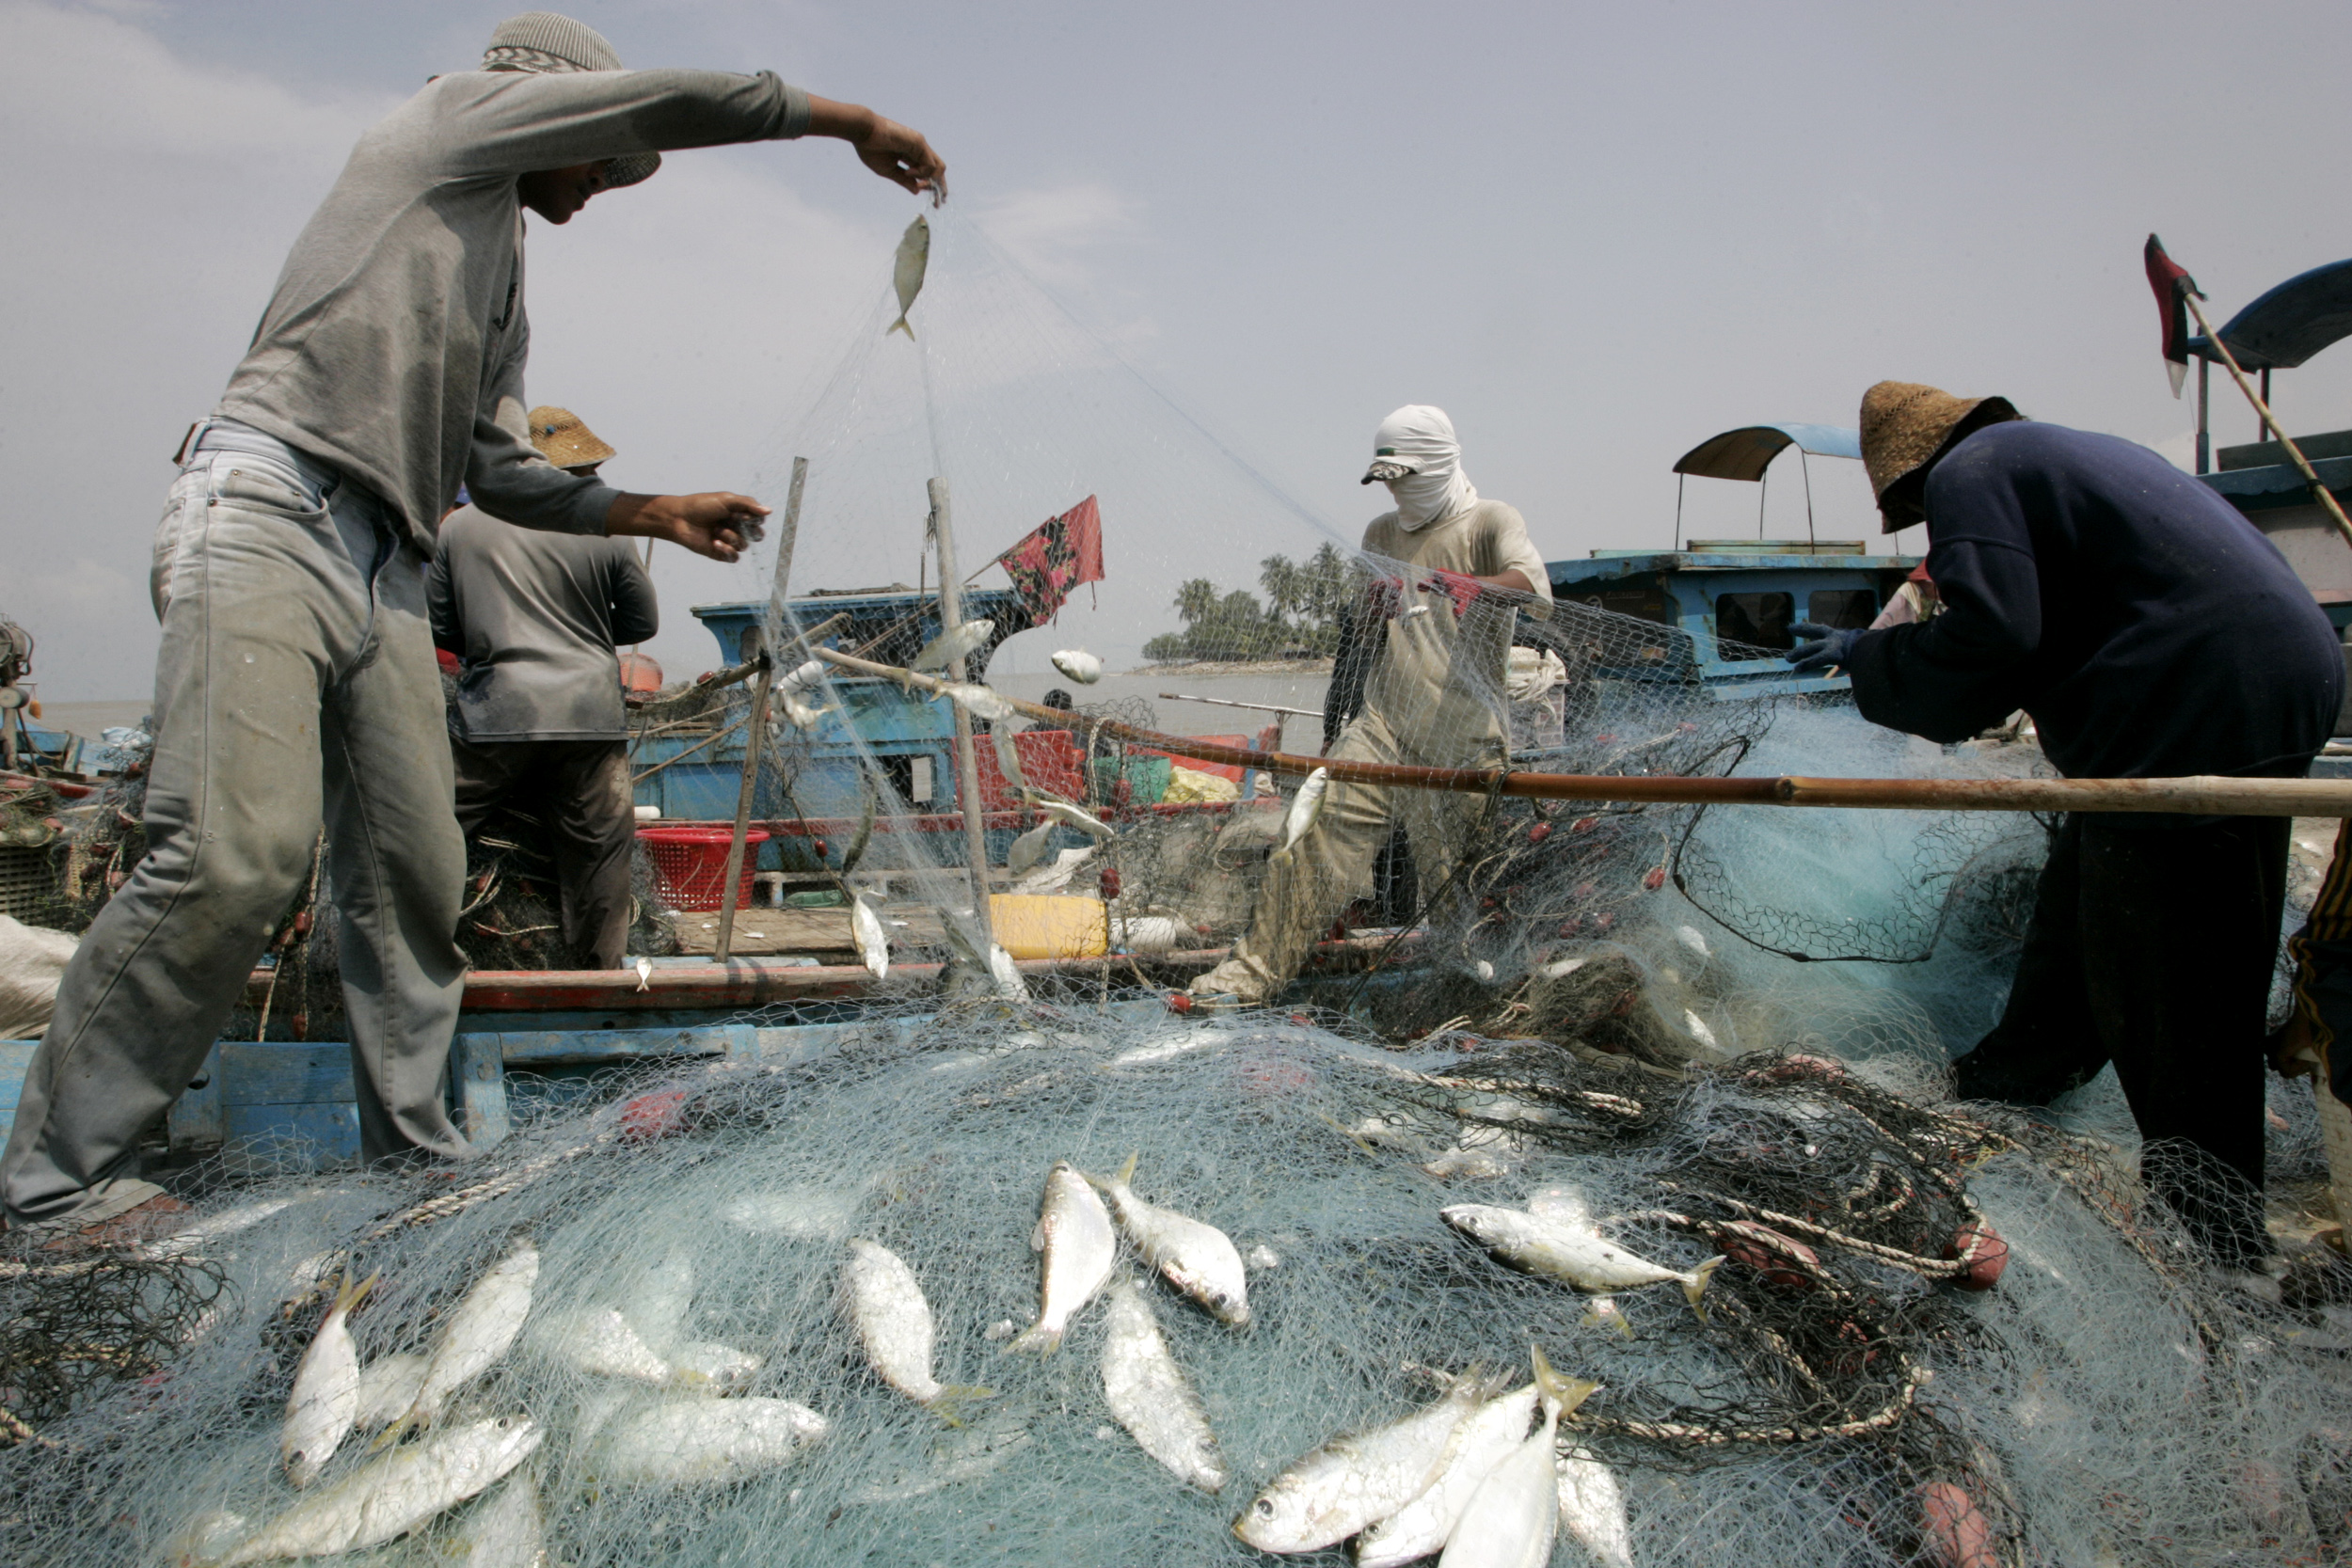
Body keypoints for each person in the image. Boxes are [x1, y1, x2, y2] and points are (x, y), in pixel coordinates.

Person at [1, 12, 944, 1241]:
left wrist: (648, 510)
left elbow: (498, 470)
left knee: (415, 873)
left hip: (390, 563)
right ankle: (56, 1182)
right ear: (549, 107)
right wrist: (846, 121)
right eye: (601, 156)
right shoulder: (450, 121)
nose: (601, 186)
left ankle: (415, 1162)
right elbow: (671, 102)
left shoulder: (498, 276)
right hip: (271, 513)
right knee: (238, 855)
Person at [1788, 380, 2343, 1276]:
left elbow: (1997, 634)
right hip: (2272, 676)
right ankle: (2016, 1077)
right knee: (2093, 894)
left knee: (2177, 980)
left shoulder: (1969, 473)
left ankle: (2219, 1245)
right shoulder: (2050, 454)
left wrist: (1870, 654)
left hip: (2191, 699)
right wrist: (1873, 652)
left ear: (1913, 475)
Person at [1190, 406, 1550, 1004]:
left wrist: (1476, 588)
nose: (1395, 491)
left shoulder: (1489, 521)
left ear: (1438, 464)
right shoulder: (1380, 534)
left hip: (1462, 734)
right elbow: (1363, 631)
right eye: (1386, 480)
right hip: (1383, 723)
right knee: (1308, 836)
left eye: (1404, 477)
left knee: (1458, 881)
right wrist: (1370, 609)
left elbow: (1535, 589)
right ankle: (1249, 976)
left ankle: (1478, 988)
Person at [431, 406, 656, 971]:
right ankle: (598, 980)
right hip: (588, 716)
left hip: (494, 713)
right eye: (589, 470)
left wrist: (489, 643)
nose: (594, 478)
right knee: (601, 852)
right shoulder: (606, 527)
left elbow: (437, 624)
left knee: (431, 828)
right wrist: (585, 631)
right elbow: (642, 622)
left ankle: (420, 958)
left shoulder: (457, 527)